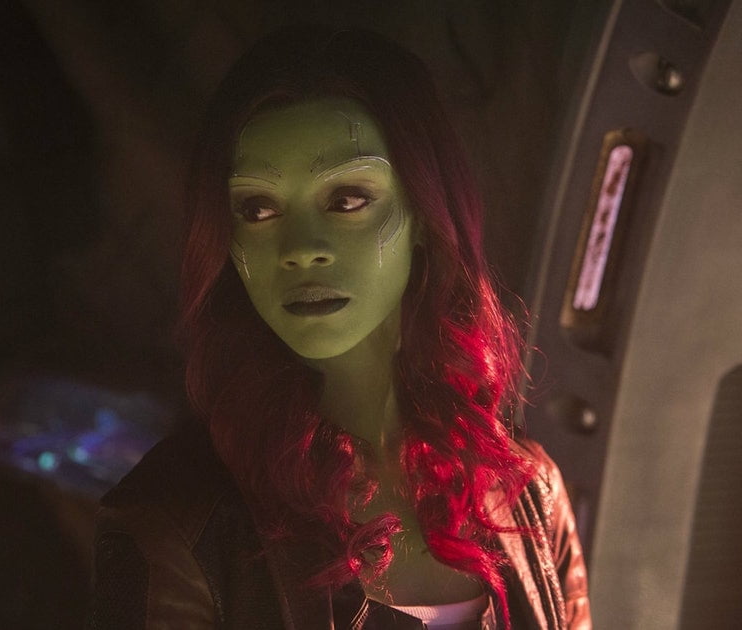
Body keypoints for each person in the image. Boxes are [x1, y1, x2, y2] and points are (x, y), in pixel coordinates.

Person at [88, 25, 590, 630]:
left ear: (425, 214)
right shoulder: (175, 521)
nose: (301, 248)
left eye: (347, 199)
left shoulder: (528, 492)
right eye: (258, 208)